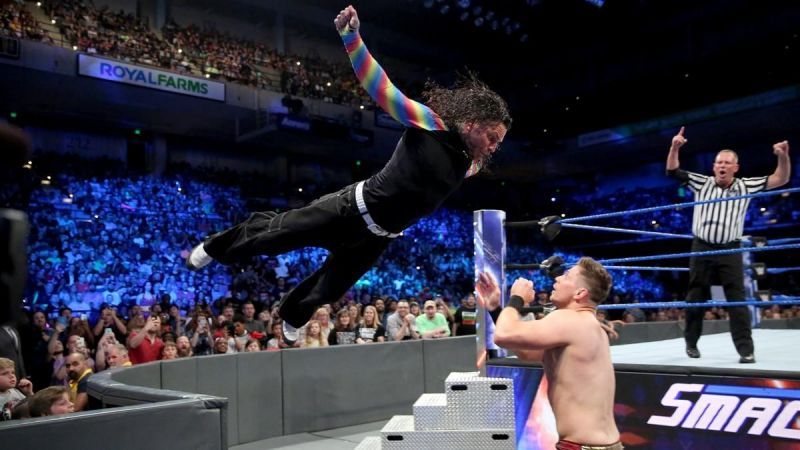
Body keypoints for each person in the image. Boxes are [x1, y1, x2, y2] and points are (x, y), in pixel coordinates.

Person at [185, 4, 511, 341]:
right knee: (274, 236)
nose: (492, 147)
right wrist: (352, 39)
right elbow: (383, 90)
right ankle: (215, 245)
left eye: (498, 144)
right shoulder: (431, 123)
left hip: (377, 238)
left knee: (329, 289)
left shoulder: (470, 165)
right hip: (350, 208)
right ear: (471, 123)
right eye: (491, 138)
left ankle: (294, 312)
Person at [666, 127, 791, 363]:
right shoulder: (701, 182)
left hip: (730, 249)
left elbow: (781, 179)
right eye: (718, 162)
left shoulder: (746, 185)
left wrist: (782, 156)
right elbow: (672, 171)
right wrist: (675, 147)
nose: (722, 166)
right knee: (696, 297)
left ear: (736, 167)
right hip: (702, 246)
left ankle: (746, 350)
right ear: (714, 167)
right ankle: (691, 343)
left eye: (727, 163)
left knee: (737, 300)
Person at [477, 257, 621, 449]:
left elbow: (504, 334)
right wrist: (495, 308)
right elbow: (529, 354)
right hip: (604, 444)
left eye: (567, 276)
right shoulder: (589, 324)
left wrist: (517, 298)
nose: (558, 278)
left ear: (580, 293)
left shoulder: (569, 319)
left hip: (582, 445)